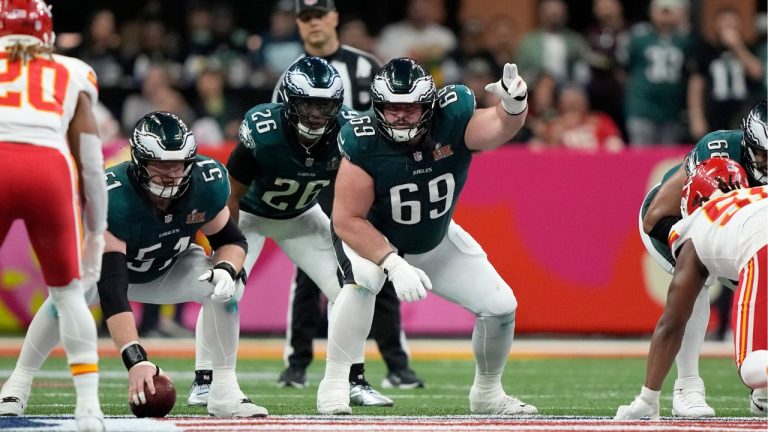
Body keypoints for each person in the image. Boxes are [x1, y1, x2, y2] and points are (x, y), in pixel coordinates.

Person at [0, 112, 267, 419]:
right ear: (139, 162)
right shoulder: (112, 197)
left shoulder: (207, 182)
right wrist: (136, 359)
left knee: (228, 286)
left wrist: (225, 269)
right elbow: (112, 288)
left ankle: (224, 392)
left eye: (177, 164)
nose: (170, 174)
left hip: (170, 268)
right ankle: (18, 381)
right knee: (68, 295)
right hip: (114, 273)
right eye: (160, 165)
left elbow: (231, 241)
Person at [316, 57, 537, 415]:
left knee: (500, 307)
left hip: (431, 238)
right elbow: (347, 220)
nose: (400, 116)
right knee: (364, 281)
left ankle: (487, 394)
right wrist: (391, 263)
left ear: (430, 106)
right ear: (377, 106)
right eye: (391, 107)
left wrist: (513, 107)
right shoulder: (363, 140)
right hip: (372, 238)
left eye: (411, 107)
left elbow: (496, 127)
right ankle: (336, 384)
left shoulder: (453, 116)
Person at [187, 56, 392, 409]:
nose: (315, 114)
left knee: (354, 288)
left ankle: (353, 379)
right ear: (289, 102)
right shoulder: (264, 130)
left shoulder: (348, 132)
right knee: (224, 290)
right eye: (307, 104)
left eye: (324, 105)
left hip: (301, 216)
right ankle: (205, 379)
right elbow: (231, 194)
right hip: (248, 217)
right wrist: (227, 247)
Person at [260, 0, 424, 393]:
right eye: (306, 18)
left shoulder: (366, 67)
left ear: (335, 18)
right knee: (309, 272)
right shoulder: (290, 75)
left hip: (363, 177)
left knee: (378, 261)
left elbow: (389, 118)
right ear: (299, 24)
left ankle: (396, 362)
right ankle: (297, 362)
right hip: (316, 178)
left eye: (319, 15)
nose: (314, 24)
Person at [0, 1, 107, 430]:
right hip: (48, 168)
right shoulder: (71, 70)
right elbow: (92, 163)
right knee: (67, 293)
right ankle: (88, 408)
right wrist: (97, 234)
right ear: (46, 32)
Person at [638, 99, 768, 417]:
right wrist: (691, 253)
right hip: (678, 221)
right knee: (694, 286)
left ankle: (763, 389)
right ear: (749, 144)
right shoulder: (718, 150)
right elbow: (655, 217)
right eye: (764, 154)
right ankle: (687, 386)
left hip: (742, 233)